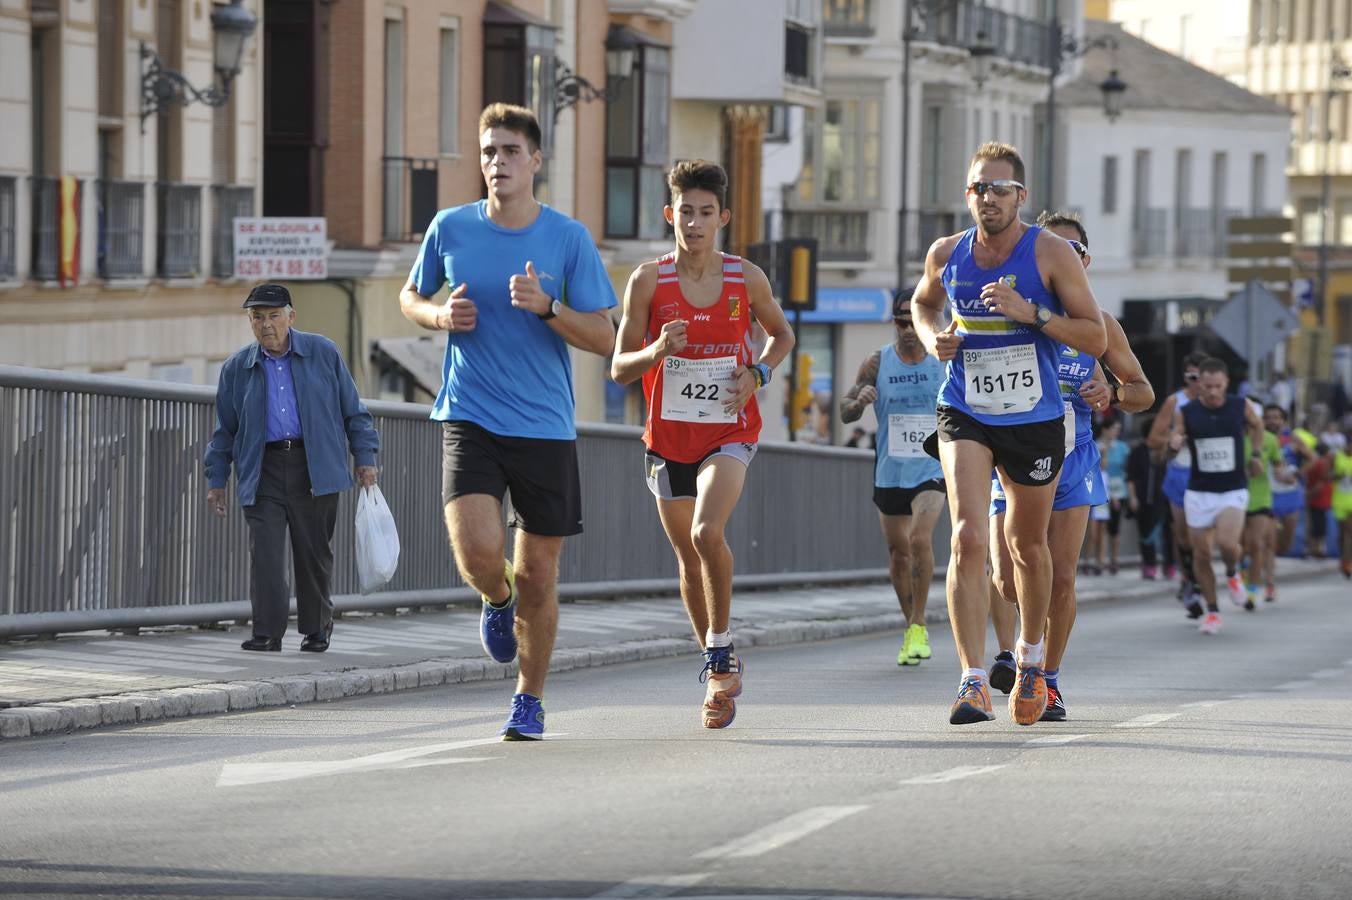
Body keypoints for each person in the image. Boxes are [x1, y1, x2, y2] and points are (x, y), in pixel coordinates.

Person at [397, 103, 618, 741]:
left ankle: (529, 697)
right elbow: (411, 296)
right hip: (470, 414)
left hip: (545, 426)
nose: (498, 163)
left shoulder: (567, 238)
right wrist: (440, 318)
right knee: (478, 552)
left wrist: (549, 308)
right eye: (489, 151)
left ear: (536, 161)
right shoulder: (451, 228)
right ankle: (496, 599)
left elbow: (605, 336)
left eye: (511, 151)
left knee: (541, 574)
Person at [912, 144, 1107, 726]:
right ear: (967, 194)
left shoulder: (1049, 253)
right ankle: (972, 679)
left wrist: (1033, 315)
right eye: (979, 189)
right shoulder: (947, 253)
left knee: (1026, 547)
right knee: (968, 539)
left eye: (1000, 190)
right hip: (965, 410)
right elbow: (924, 304)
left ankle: (1030, 660)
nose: (989, 199)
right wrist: (932, 339)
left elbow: (1095, 337)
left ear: (1021, 197)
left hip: (1034, 418)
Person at [611, 160, 793, 729]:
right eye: (684, 212)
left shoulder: (746, 279)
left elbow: (782, 335)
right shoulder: (648, 281)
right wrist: (658, 351)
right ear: (670, 214)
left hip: (729, 431)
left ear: (723, 218)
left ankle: (720, 647)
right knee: (688, 559)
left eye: (705, 213)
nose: (693, 223)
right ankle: (717, 666)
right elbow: (619, 367)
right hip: (667, 439)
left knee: (705, 532)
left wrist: (758, 375)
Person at [984, 211, 1152, 723]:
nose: (1064, 257)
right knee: (1007, 579)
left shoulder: (1099, 324)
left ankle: (1045, 678)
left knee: (1060, 580)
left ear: (1085, 260)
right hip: (1013, 457)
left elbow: (1143, 392)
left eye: (1074, 250)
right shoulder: (1012, 311)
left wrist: (1114, 393)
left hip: (1072, 458)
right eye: (1052, 248)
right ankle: (1019, 651)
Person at [205, 283, 380, 653]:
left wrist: (365, 458)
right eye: (257, 318)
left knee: (313, 553)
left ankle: (316, 628)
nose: (266, 325)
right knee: (266, 555)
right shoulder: (237, 368)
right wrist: (216, 479)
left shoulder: (323, 352)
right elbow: (225, 431)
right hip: (263, 468)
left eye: (273, 316)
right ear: (250, 322)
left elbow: (354, 412)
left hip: (314, 466)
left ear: (291, 317)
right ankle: (267, 632)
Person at [840, 291, 947, 667]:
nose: (906, 328)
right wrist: (859, 401)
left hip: (932, 467)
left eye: (912, 320)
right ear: (894, 323)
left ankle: (919, 623)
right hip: (890, 470)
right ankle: (911, 628)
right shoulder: (877, 362)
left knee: (920, 538)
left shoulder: (941, 360)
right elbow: (845, 412)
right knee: (898, 555)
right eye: (900, 321)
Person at [1166, 357, 1265, 634]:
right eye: (1207, 386)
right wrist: (1174, 445)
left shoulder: (1240, 406)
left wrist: (1256, 454)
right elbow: (1173, 445)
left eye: (1217, 386)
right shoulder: (1186, 411)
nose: (1212, 392)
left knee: (1227, 543)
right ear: (1199, 384)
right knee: (1202, 553)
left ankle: (1233, 574)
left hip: (1232, 488)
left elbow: (1257, 426)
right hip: (1199, 491)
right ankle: (1212, 611)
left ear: (1226, 384)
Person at [1148, 351, 1210, 618]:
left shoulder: (1219, 402)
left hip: (1209, 476)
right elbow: (1153, 440)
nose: (1197, 382)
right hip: (1180, 473)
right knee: (1184, 534)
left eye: (1201, 376)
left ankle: (1196, 583)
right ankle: (1191, 582)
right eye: (1191, 376)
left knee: (1203, 537)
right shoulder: (1176, 402)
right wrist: (1174, 440)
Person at [1241, 402, 1287, 610]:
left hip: (1262, 498)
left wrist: (1285, 475)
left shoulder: (1270, 440)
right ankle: (1242, 574)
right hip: (1237, 497)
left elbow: (1278, 466)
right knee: (1240, 547)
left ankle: (1252, 590)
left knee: (1256, 544)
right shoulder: (1235, 438)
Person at [1126, 415, 1173, 579]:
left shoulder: (1168, 451)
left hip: (1166, 500)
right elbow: (1131, 477)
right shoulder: (1139, 452)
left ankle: (1170, 565)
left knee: (1169, 534)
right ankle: (1149, 565)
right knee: (1146, 533)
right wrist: (1132, 497)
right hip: (1144, 499)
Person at [1266, 403, 1312, 570]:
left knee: (1287, 541)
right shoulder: (1259, 437)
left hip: (1291, 493)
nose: (1272, 421)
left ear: (1283, 420)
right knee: (1268, 536)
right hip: (1268, 493)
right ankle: (1267, 564)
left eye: (1276, 418)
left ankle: (1275, 551)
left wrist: (1298, 474)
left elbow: (1312, 458)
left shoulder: (1293, 439)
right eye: (1268, 418)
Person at [1098, 419, 1130, 575]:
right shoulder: (1097, 445)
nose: (1116, 432)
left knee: (1115, 528)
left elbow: (1127, 469)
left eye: (1118, 429)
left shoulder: (1123, 447)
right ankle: (1100, 559)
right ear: (1105, 430)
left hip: (1119, 490)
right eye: (1113, 429)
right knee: (1101, 527)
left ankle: (1114, 559)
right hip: (1101, 489)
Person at [1306, 442, 1335, 559]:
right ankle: (1316, 549)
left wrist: (1309, 493)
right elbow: (1322, 480)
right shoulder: (1321, 463)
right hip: (1319, 499)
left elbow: (1321, 481)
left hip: (1318, 499)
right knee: (1318, 525)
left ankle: (1316, 549)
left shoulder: (1318, 463)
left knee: (1317, 525)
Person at [1335, 428, 1352, 578]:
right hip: (1339, 499)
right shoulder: (1337, 456)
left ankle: (1347, 562)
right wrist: (1338, 475)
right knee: (1342, 535)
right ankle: (1344, 559)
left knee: (1349, 531)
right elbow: (1327, 475)